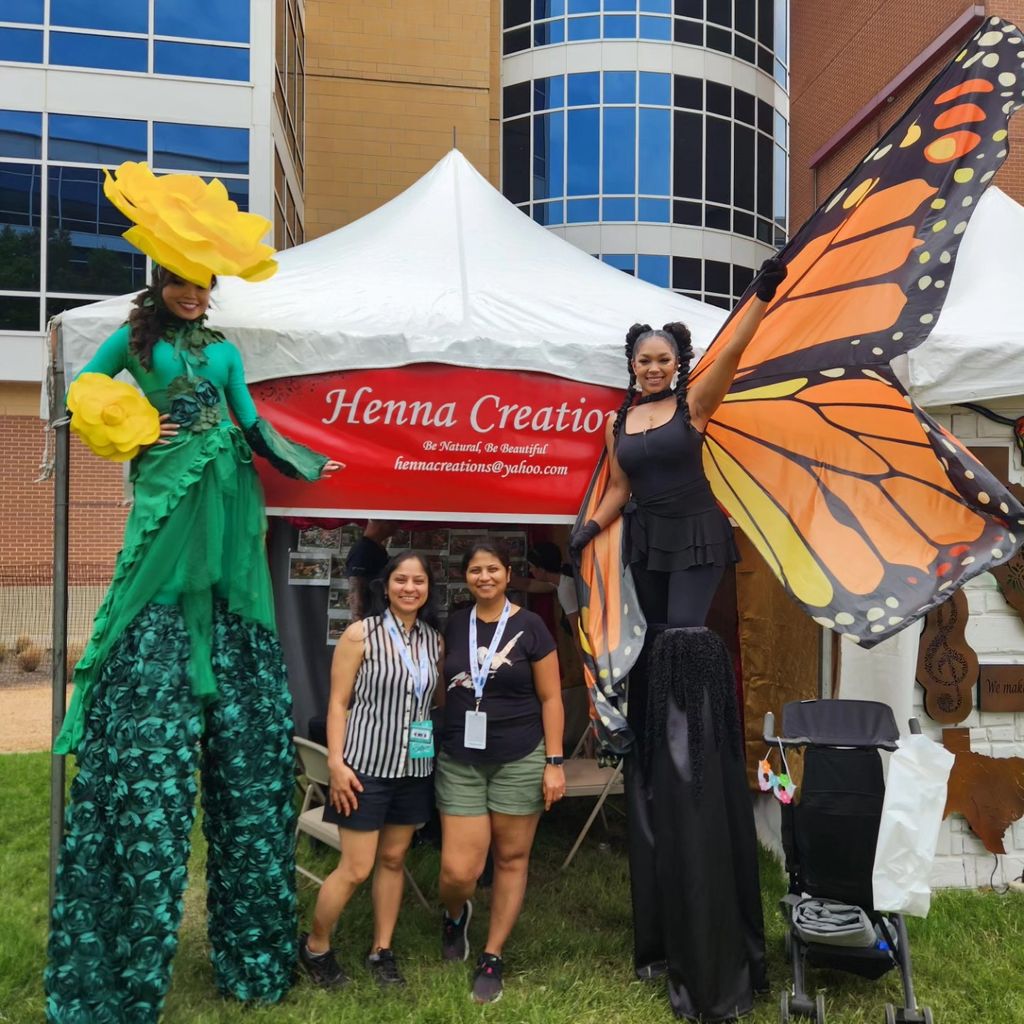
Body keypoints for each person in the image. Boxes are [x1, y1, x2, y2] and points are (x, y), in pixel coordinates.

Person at [46, 253, 341, 1016]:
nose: (193, 292)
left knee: (237, 623)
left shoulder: (227, 351)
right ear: (159, 281)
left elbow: (249, 419)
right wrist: (135, 427)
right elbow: (84, 393)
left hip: (231, 493)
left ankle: (253, 959)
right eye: (181, 279)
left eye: (203, 283)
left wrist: (300, 459)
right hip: (167, 489)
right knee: (155, 604)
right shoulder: (134, 343)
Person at [568, 257, 788, 628]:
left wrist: (763, 296)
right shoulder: (616, 422)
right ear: (633, 366)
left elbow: (733, 350)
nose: (653, 368)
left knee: (684, 631)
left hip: (696, 533)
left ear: (676, 364)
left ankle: (695, 691)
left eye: (663, 360)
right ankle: (658, 691)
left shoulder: (694, 405)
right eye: (645, 361)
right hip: (645, 538)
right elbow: (620, 488)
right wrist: (587, 531)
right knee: (652, 635)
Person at [299, 551, 443, 990]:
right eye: (401, 579)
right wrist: (336, 764)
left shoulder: (434, 641)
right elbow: (337, 704)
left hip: (414, 766)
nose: (410, 588)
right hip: (365, 767)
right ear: (386, 585)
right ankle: (315, 947)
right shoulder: (361, 634)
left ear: (428, 588)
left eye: (418, 581)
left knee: (395, 859)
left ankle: (382, 950)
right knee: (357, 867)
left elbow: (429, 701)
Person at [435, 542, 565, 1004]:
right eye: (475, 570)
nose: (484, 576)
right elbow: (439, 689)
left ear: (508, 575)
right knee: (458, 871)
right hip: (460, 759)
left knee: (511, 859)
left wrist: (554, 762)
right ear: (466, 577)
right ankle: (456, 914)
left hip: (520, 757)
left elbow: (552, 698)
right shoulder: (454, 625)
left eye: (493, 569)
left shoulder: (531, 627)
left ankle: (492, 956)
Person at [345, 519, 400, 619]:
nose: (397, 527)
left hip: (380, 617)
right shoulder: (362, 549)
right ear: (383, 523)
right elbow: (356, 586)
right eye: (394, 521)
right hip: (368, 620)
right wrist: (359, 623)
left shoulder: (379, 549)